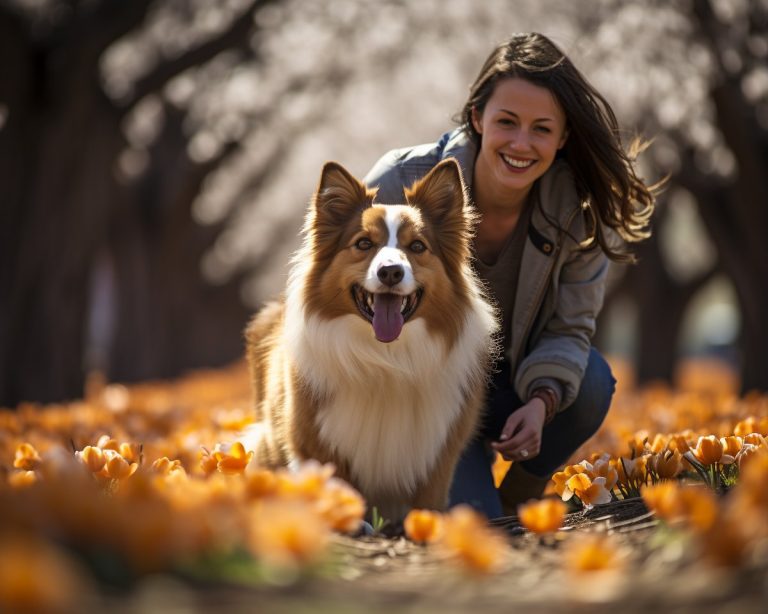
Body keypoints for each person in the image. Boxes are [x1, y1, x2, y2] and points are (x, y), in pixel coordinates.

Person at [363, 32, 658, 518]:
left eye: (542, 129)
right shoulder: (398, 183)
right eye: (507, 122)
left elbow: (570, 328)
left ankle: (522, 492)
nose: (521, 143)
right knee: (472, 522)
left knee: (590, 382)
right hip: (423, 399)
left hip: (515, 385)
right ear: (477, 117)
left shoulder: (579, 210)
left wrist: (542, 402)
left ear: (563, 137)